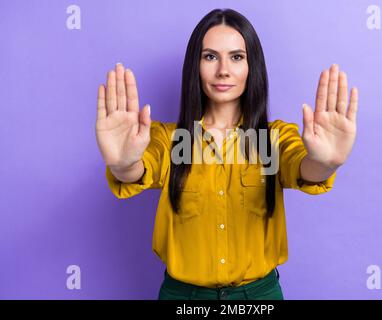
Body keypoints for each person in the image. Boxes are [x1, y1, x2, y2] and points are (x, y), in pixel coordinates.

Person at [95, 8, 358, 300]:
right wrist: (123, 163)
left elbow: (304, 168)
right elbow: (137, 169)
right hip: (184, 298)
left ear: (251, 66)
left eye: (236, 57)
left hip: (259, 297)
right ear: (195, 65)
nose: (223, 69)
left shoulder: (274, 138)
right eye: (210, 56)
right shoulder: (168, 139)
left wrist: (325, 163)